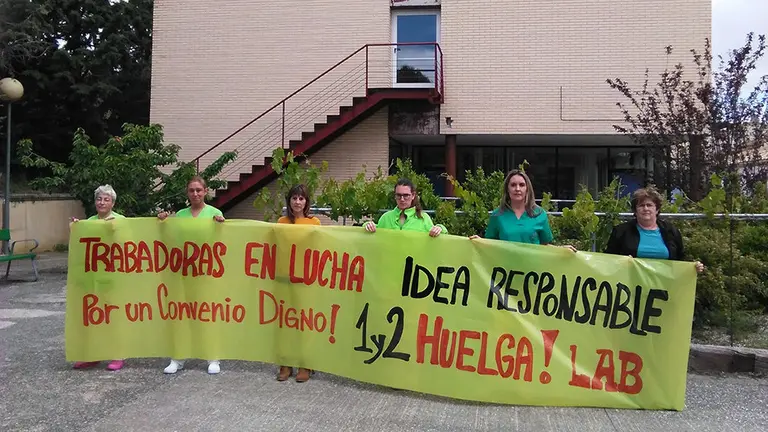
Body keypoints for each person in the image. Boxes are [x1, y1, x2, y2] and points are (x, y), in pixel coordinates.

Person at [158, 176, 226, 375]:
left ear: (205, 191)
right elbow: (172, 239)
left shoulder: (215, 213)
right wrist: (163, 222)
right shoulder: (180, 215)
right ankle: (178, 358)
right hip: (184, 272)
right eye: (191, 190)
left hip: (207, 273)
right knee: (182, 316)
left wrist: (221, 226)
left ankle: (213, 357)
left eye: (198, 190)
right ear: (187, 193)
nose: (195, 194)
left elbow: (223, 241)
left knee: (208, 315)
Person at [70, 184, 126, 371]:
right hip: (93, 275)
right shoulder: (90, 221)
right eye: (99, 199)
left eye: (106, 199)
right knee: (93, 316)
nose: (102, 202)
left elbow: (128, 245)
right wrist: (77, 229)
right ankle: (94, 354)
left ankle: (118, 354)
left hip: (114, 275)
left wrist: (114, 230)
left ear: (113, 203)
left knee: (113, 316)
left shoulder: (121, 220)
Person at [276, 184, 321, 383]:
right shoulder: (281, 222)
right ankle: (285, 363)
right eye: (294, 198)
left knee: (304, 321)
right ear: (289, 201)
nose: (297, 202)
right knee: (285, 322)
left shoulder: (314, 222)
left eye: (301, 198)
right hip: (284, 277)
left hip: (305, 278)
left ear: (306, 202)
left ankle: (306, 363)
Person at [470, 170, 576, 252]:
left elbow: (544, 247)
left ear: (527, 189)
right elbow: (489, 245)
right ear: (507, 189)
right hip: (506, 270)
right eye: (513, 185)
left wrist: (561, 250)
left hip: (532, 271)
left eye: (521, 185)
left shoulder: (539, 214)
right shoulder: (497, 215)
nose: (517, 189)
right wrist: (478, 242)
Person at [605, 186, 705, 273]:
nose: (645, 208)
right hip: (631, 284)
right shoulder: (621, 231)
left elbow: (681, 259)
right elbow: (609, 260)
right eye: (641, 205)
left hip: (664, 285)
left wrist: (693, 267)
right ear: (635, 210)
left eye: (649, 205)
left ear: (657, 209)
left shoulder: (671, 231)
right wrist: (621, 261)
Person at [363, 178, 446, 237]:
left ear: (413, 195)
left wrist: (440, 228)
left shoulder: (423, 218)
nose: (402, 199)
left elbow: (441, 237)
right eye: (398, 195)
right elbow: (372, 231)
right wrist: (367, 225)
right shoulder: (386, 217)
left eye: (406, 195)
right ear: (394, 196)